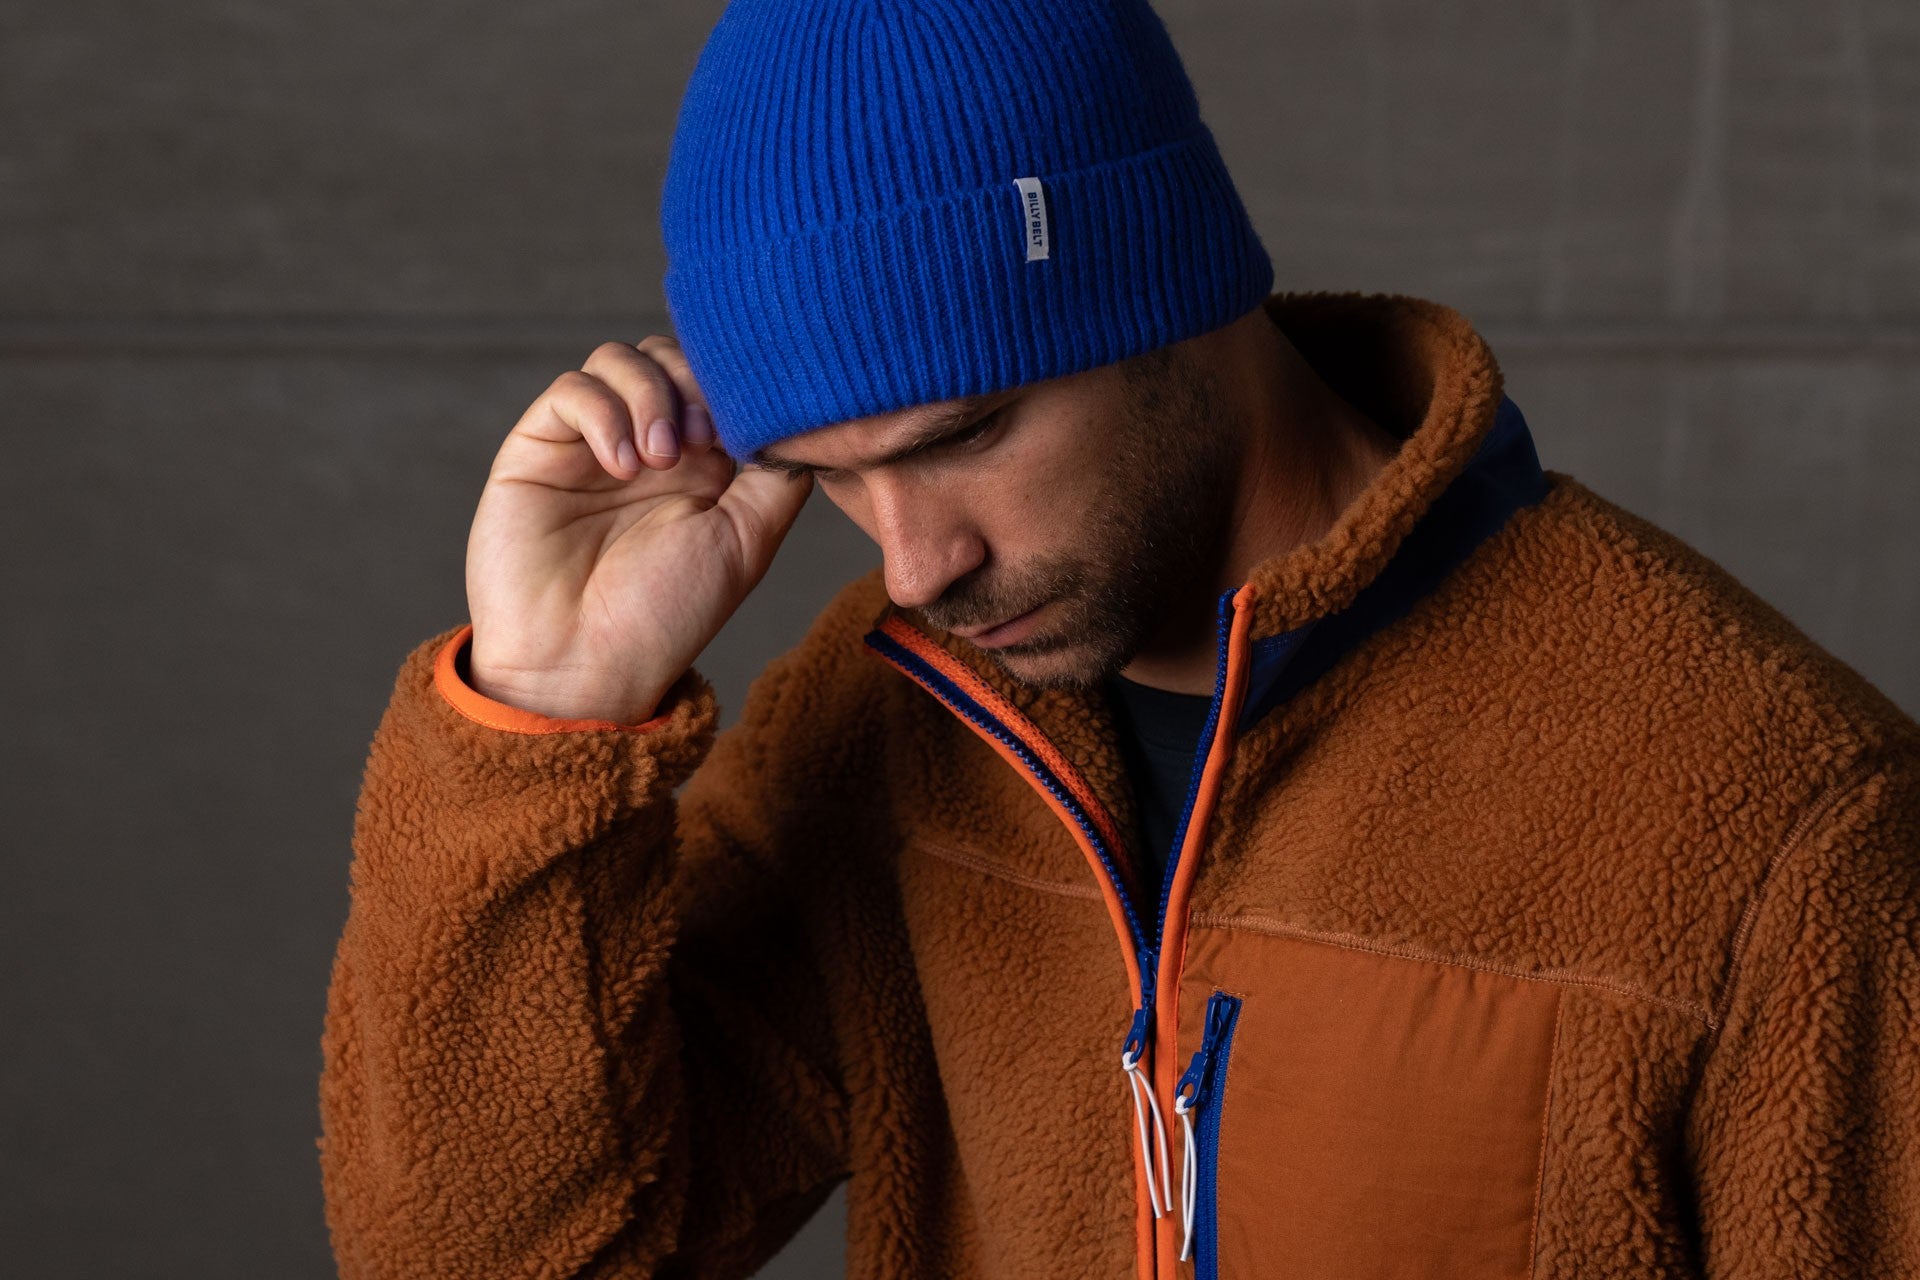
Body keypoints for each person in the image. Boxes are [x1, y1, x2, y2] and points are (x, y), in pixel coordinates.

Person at [316, 1, 1920, 1276]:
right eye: (826, 476)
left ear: (1173, 289)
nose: (917, 565)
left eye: (967, 432)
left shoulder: (1773, 816)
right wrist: (546, 710)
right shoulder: (890, 725)